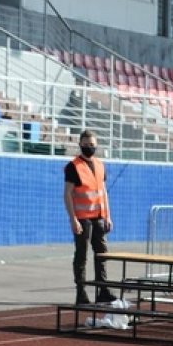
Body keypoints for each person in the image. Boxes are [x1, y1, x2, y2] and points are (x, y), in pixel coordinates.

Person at [64, 130, 116, 305]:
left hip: (99, 217)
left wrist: (108, 216)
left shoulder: (100, 165)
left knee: (101, 254)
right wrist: (73, 219)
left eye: (92, 145)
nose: (89, 147)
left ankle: (103, 289)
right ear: (80, 144)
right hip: (83, 218)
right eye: (86, 144)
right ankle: (81, 292)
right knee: (81, 255)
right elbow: (67, 194)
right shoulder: (74, 166)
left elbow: (103, 192)